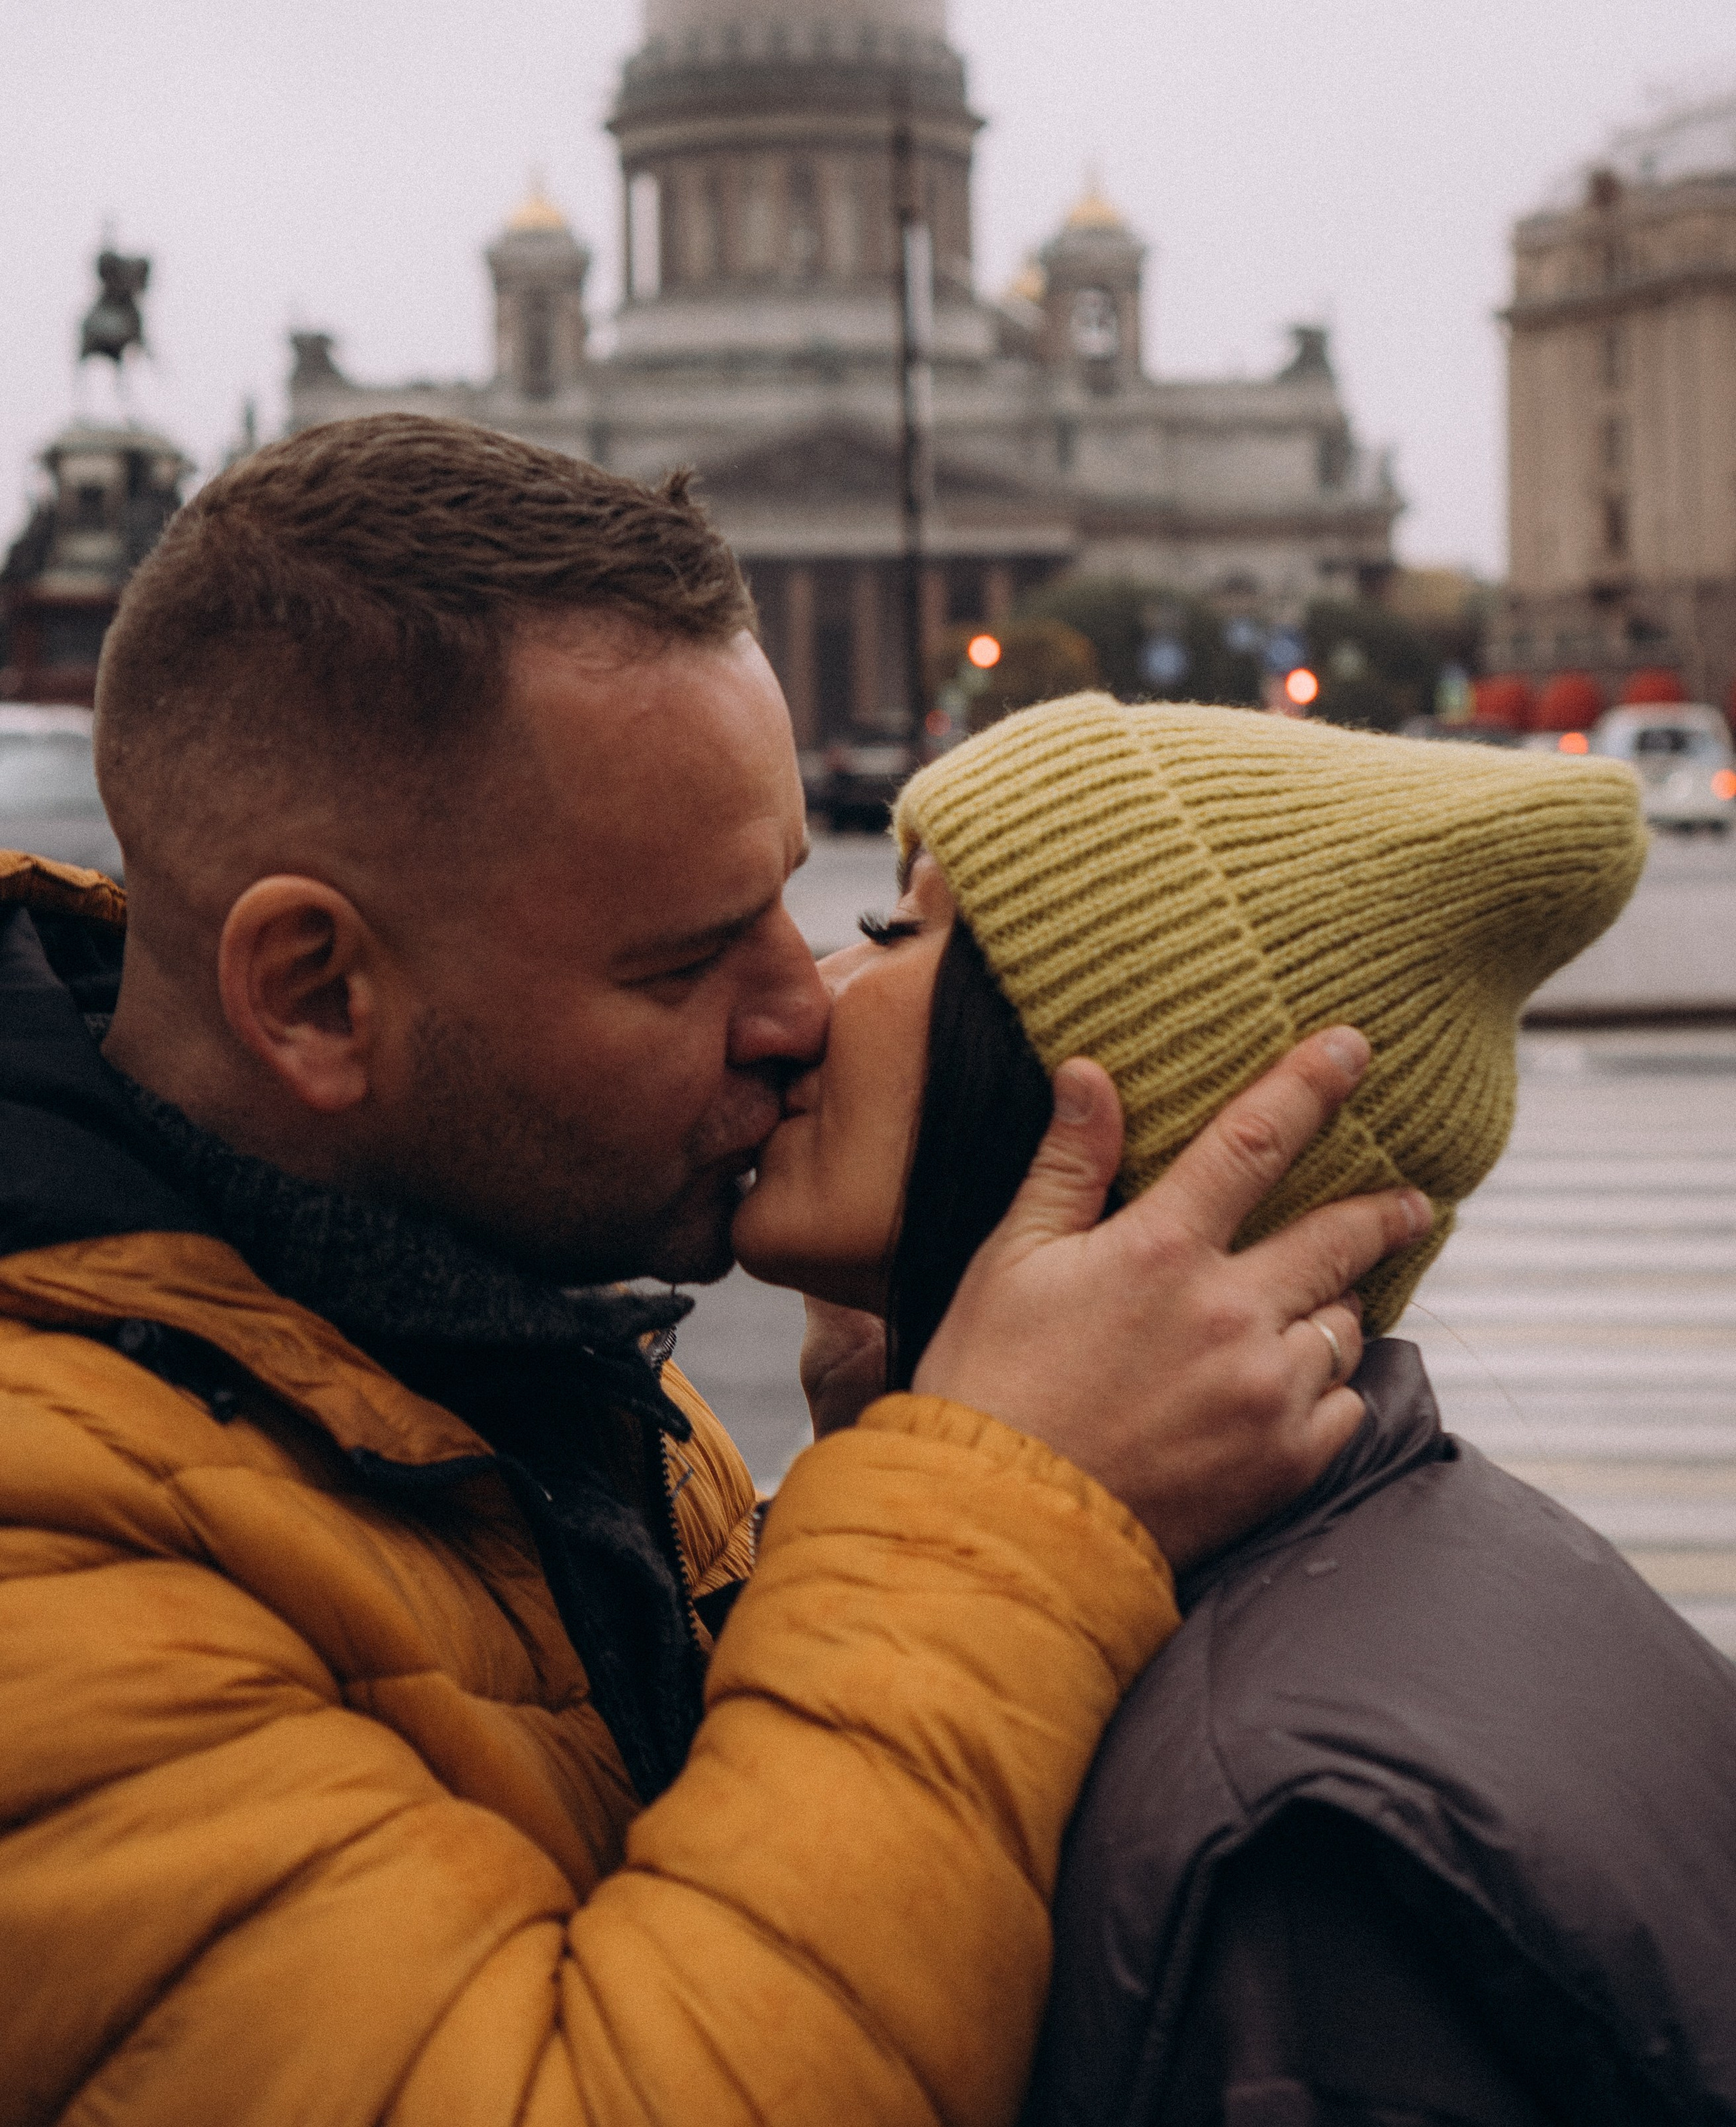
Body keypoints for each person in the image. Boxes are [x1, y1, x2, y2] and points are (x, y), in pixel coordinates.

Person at [0, 416, 1429, 2127]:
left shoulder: (482, 1315)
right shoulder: (48, 1536)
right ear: (314, 995)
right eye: (685, 960)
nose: (804, 1006)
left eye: (790, 901)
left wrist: (872, 1454)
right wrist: (995, 1503)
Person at [734, 689, 1736, 2126]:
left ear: (1106, 1107)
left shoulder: (1289, 1856)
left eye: (901, 934)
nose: (811, 993)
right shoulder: (1352, 1584)